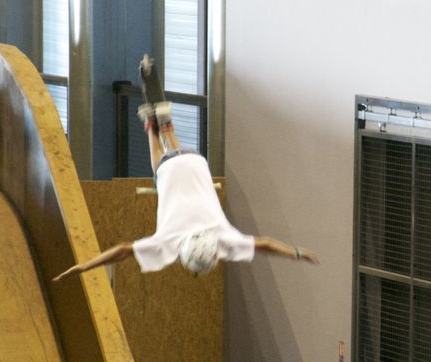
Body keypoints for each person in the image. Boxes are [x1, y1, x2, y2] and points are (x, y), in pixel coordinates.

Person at [53, 103, 319, 281]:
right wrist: (84, 267)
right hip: (169, 169)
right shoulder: (171, 241)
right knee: (160, 167)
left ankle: (168, 127)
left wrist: (296, 252)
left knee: (180, 160)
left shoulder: (223, 240)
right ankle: (151, 125)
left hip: (197, 162)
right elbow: (123, 250)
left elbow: (265, 243)